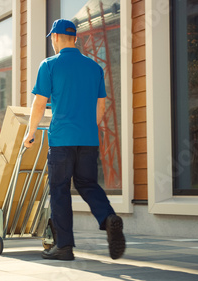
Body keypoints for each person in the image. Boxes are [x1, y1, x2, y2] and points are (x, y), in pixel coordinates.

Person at [23, 19, 126, 261]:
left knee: (60, 189)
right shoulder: (94, 67)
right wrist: (88, 128)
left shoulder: (49, 65)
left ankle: (64, 246)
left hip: (61, 140)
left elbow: (39, 103)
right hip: (88, 139)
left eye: (52, 38)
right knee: (87, 184)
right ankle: (108, 217)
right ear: (75, 39)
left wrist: (31, 133)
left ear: (55, 38)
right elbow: (101, 106)